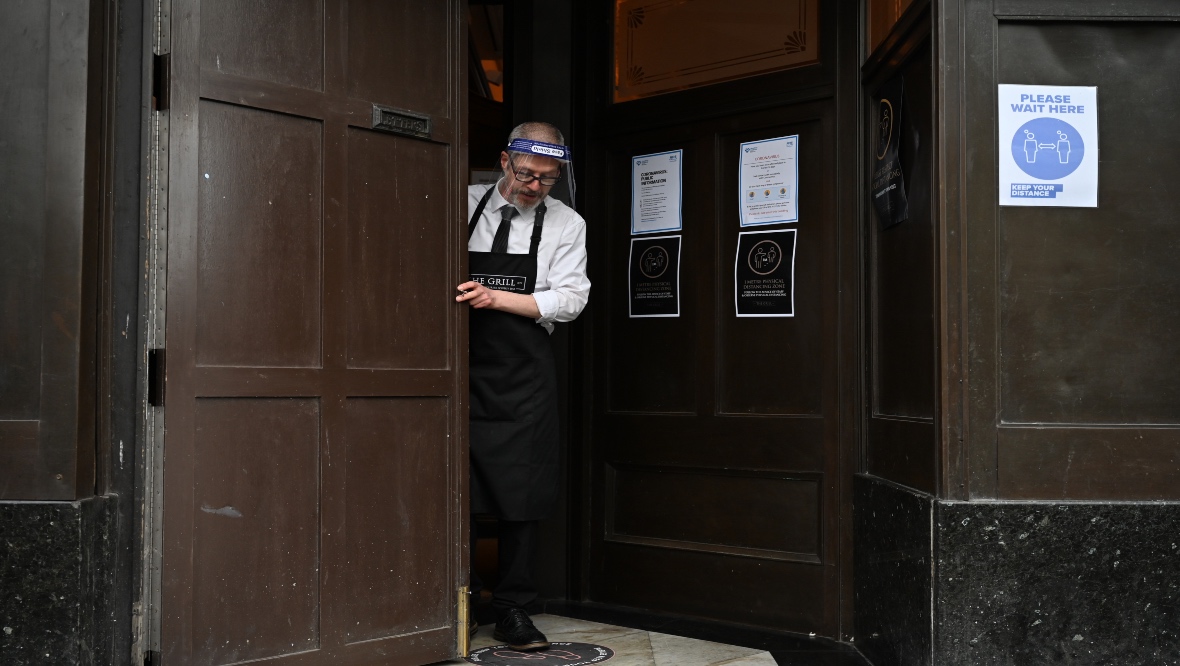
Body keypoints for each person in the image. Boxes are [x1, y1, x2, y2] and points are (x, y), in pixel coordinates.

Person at [455, 122, 590, 651]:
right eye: (526, 174)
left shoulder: (566, 224)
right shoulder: (459, 201)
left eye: (547, 180)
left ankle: (512, 607)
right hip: (458, 370)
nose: (534, 188)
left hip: (522, 378)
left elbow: (571, 300)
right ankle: (457, 602)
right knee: (453, 490)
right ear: (505, 159)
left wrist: (495, 298)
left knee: (521, 495)